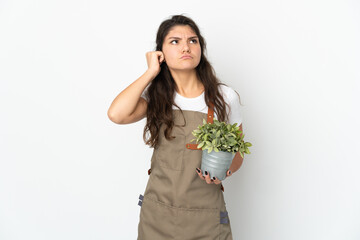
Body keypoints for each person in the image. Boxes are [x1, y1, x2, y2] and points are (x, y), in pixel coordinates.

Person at [107, 14, 244, 240]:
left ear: (201, 48)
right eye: (174, 41)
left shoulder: (224, 97)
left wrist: (224, 172)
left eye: (193, 40)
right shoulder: (156, 97)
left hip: (206, 218)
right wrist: (151, 72)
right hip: (157, 217)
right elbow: (116, 115)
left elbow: (237, 154)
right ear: (159, 53)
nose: (186, 47)